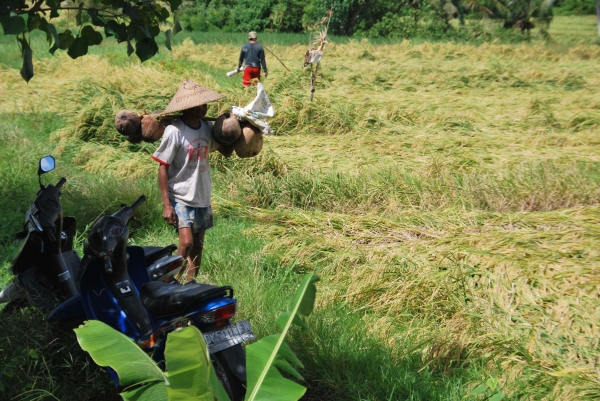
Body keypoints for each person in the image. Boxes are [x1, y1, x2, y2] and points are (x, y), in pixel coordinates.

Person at [152, 80, 234, 283]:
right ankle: (166, 282)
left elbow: (227, 151)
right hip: (179, 196)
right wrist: (166, 204)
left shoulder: (207, 128)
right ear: (188, 107)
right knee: (186, 243)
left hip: (202, 196)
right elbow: (163, 167)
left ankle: (189, 285)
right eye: (200, 105)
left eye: (205, 104)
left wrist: (238, 129)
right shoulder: (175, 131)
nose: (205, 108)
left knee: (198, 244)